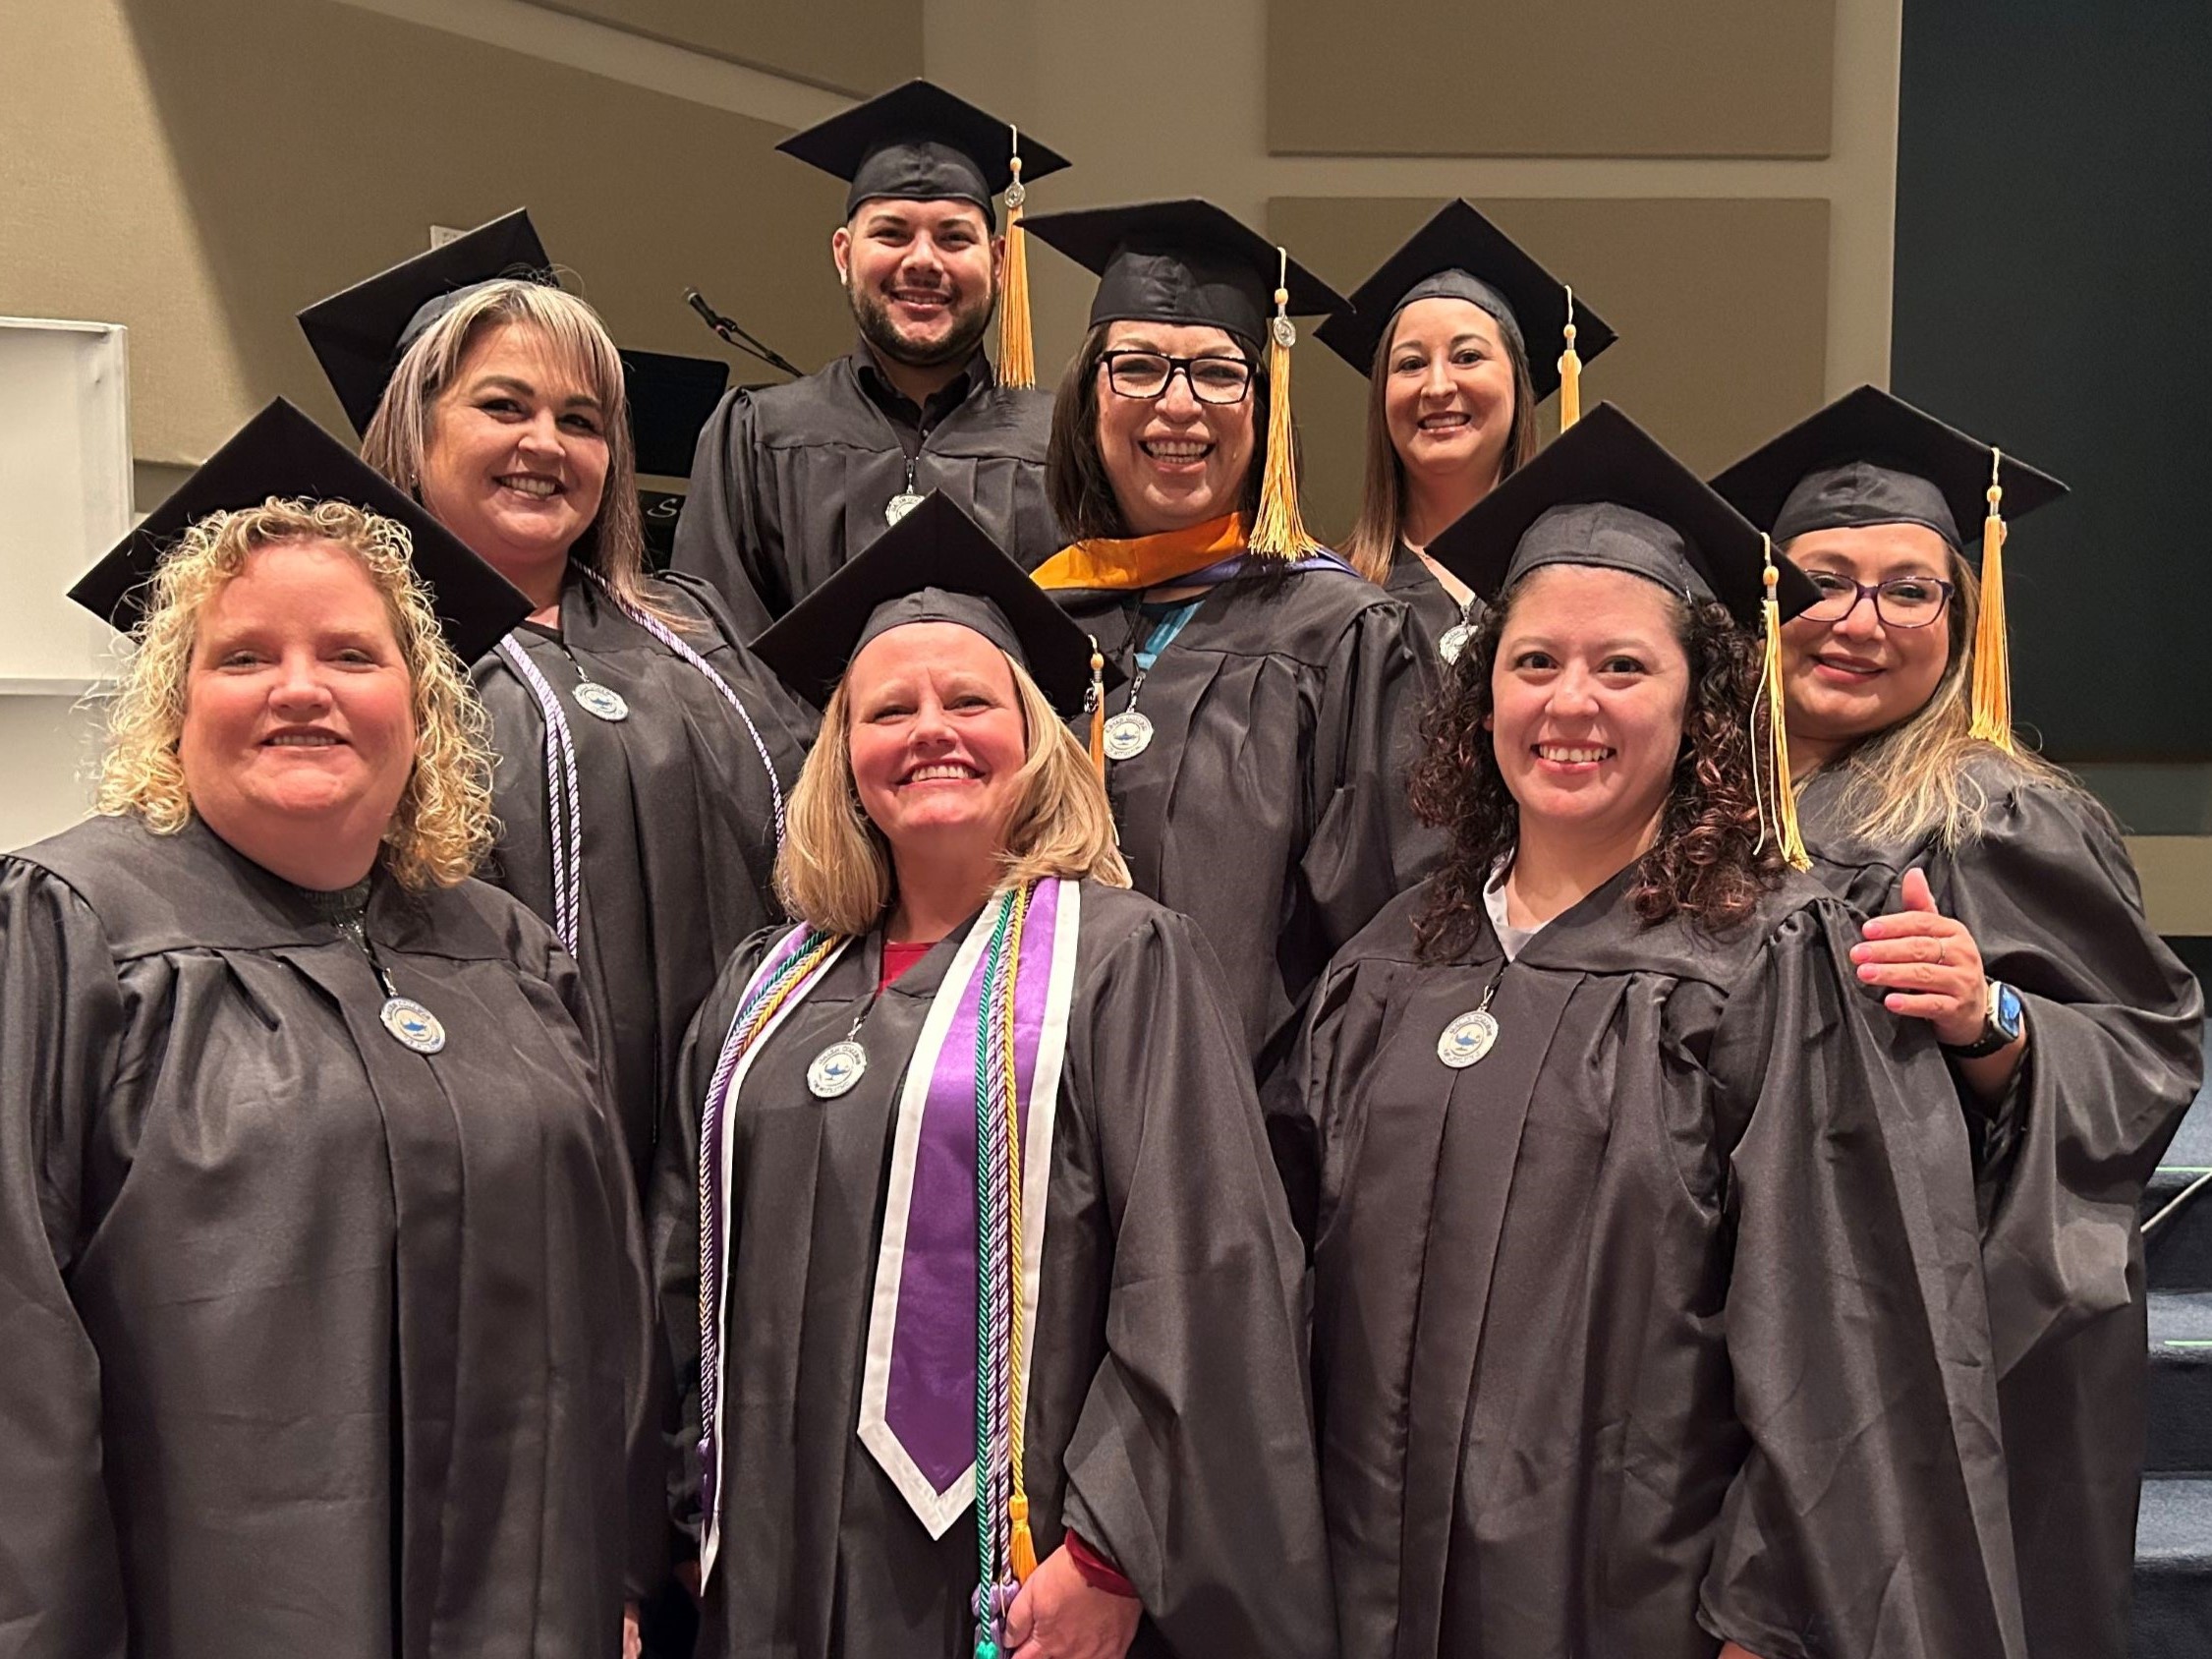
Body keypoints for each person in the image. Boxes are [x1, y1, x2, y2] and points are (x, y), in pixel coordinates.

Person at [1275, 404, 2026, 1659]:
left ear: (1700, 708)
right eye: (1534, 663)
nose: (1572, 702)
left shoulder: (1777, 961)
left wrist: (1767, 1621)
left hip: (1638, 1600)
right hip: (1366, 1581)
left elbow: (1841, 1332)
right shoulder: (1388, 960)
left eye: (1624, 667)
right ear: (1481, 696)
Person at [0, 400, 646, 1658]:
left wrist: (613, 1574)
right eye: (243, 657)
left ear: (421, 706)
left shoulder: (506, 951)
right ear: (175, 704)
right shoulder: (71, 926)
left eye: (353, 653)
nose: (302, 689)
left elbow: (604, 1313)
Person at [652, 493, 1333, 1659]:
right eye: (889, 708)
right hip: (766, 1550)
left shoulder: (1119, 957)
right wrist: (683, 1494)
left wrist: (1113, 1545)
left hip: (1008, 1576)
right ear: (842, 753)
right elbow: (682, 1253)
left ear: (1034, 738)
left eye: (971, 700)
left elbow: (1205, 1258)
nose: (932, 730)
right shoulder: (757, 989)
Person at [1712, 384, 2206, 1659]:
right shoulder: (1702, 803)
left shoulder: (1997, 810)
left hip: (1924, 1332)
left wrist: (1992, 1022)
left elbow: (2144, 1045)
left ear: (1959, 617)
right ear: (1761, 602)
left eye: (1906, 590)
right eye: (1820, 580)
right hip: (1730, 1311)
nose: (1855, 622)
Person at [303, 211, 817, 1188]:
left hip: (751, 1125)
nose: (546, 442)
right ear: (413, 431)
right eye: (504, 406)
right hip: (501, 1153)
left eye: (581, 421)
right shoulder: (364, 657)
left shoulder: (694, 628)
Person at [1021, 197, 1441, 1077]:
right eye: (1136, 367)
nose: (1178, 407)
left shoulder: (1344, 636)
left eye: (1218, 372)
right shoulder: (1024, 622)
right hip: (1017, 1122)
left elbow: (1393, 932)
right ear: (1086, 393)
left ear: (1265, 405)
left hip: (1247, 1139)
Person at [672, 81, 1071, 633]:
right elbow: (713, 645)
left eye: (954, 238)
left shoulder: (1065, 444)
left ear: (1000, 261)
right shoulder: (759, 437)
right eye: (892, 233)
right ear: (843, 253)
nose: (923, 261)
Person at [1320, 198, 1616, 664]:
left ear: (1519, 385)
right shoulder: (1324, 600)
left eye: (1468, 357)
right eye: (1411, 364)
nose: (1437, 386)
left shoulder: (1580, 586)